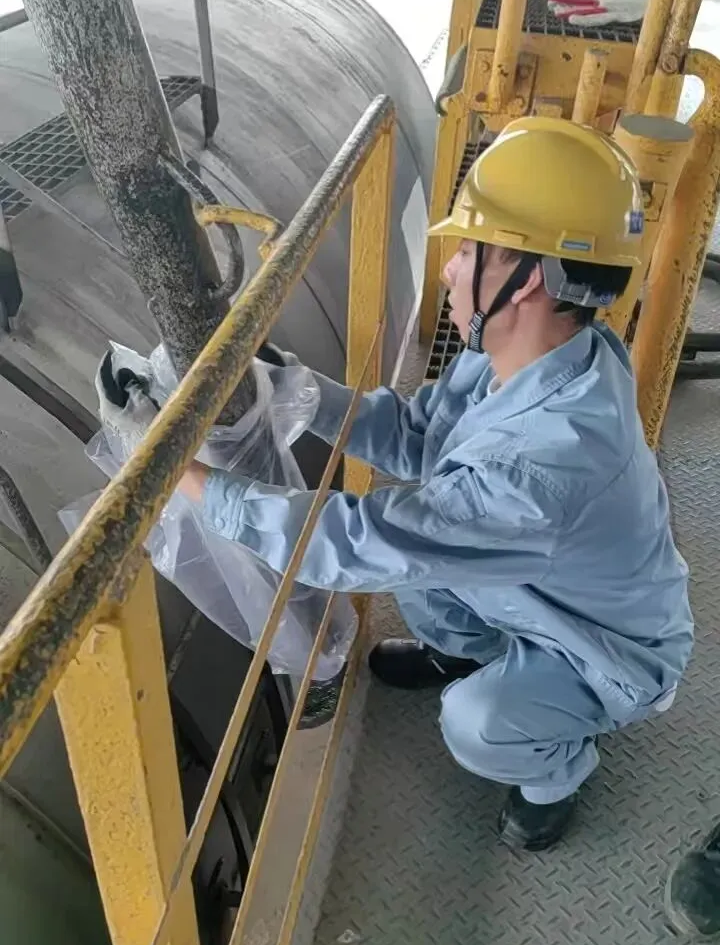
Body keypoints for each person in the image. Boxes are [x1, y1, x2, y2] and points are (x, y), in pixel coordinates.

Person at [179, 116, 694, 851]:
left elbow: (354, 544)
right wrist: (289, 387)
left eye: (470, 251)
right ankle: (467, 651)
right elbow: (420, 438)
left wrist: (188, 479)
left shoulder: (548, 463)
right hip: (545, 588)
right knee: (423, 571)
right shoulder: (540, 354)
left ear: (531, 279)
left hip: (604, 650)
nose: (449, 270)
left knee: (475, 721)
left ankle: (557, 773)